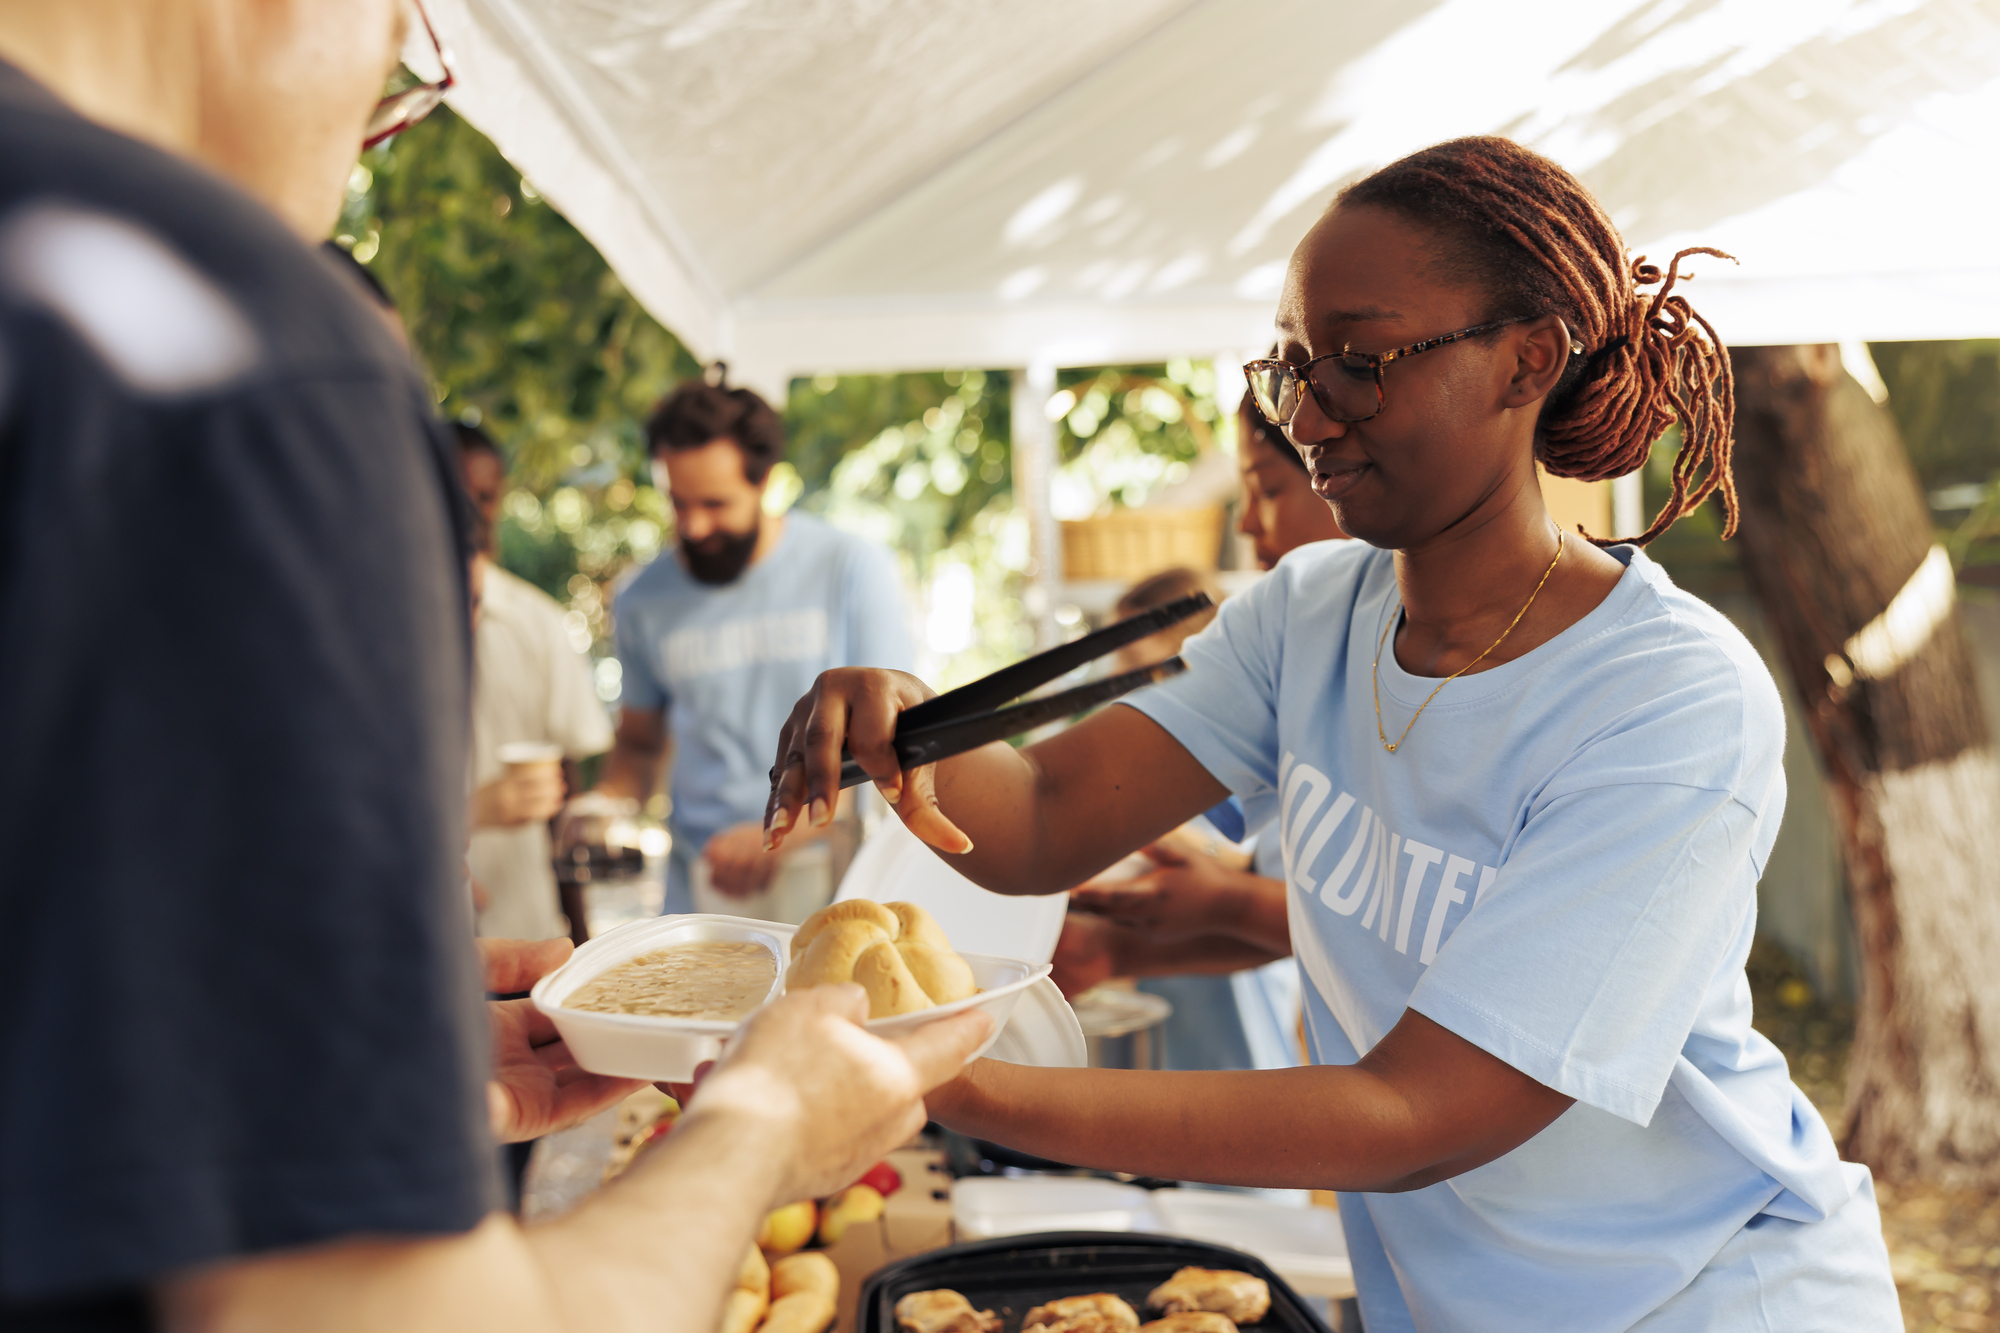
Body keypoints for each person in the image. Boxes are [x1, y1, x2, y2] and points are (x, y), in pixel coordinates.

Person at [767, 137, 1900, 1329]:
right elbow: (1040, 820)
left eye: (1359, 365)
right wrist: (906, 719)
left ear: (1528, 362)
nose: (1305, 415)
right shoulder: (1309, 614)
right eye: (1288, 367)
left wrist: (951, 1081)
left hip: (1705, 1297)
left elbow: (1415, 1114)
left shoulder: (1665, 702)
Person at [0, 5, 987, 1332]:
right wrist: (764, 1125)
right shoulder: (221, 339)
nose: (371, 132)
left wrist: (306, 1064)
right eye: (407, 51)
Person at [596, 377, 912, 917]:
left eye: (716, 504)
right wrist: (602, 806)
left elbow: (892, 740)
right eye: (678, 503)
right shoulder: (641, 599)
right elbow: (641, 745)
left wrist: (782, 830)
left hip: (831, 880)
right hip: (700, 889)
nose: (693, 527)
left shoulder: (851, 569)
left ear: (764, 481)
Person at [459, 421, 614, 941]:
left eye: (484, 498)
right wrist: (473, 810)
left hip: (524, 929)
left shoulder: (536, 622)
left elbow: (565, 792)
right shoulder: (365, 633)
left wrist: (581, 939)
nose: (471, 514)